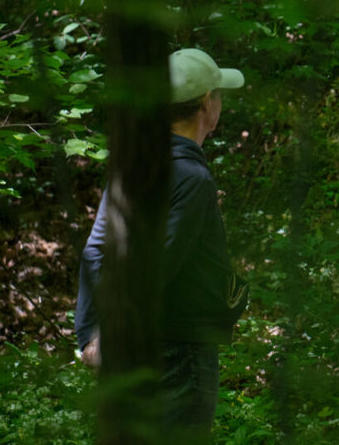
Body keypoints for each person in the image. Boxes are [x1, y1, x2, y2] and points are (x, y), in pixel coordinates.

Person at [74, 48, 248, 443]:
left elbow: (97, 250)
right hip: (177, 353)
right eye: (220, 94)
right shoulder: (191, 177)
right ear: (207, 102)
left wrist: (90, 334)